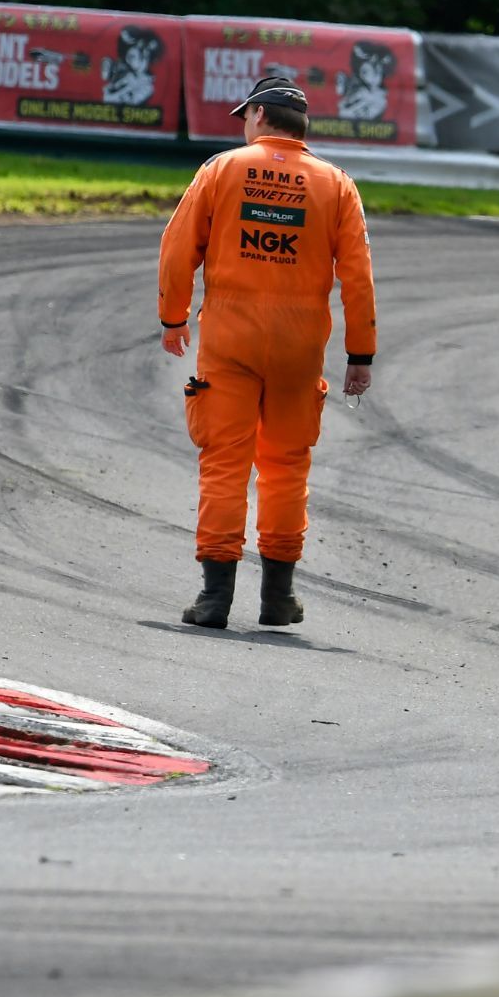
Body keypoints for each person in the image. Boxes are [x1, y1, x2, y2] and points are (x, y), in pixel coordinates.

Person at [158, 75, 377, 628]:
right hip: (300, 349)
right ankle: (278, 597)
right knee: (286, 468)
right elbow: (358, 278)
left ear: (258, 117)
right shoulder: (336, 185)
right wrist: (360, 355)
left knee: (224, 466)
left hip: (231, 340)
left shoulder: (221, 170)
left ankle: (214, 598)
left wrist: (172, 316)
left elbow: (178, 247)